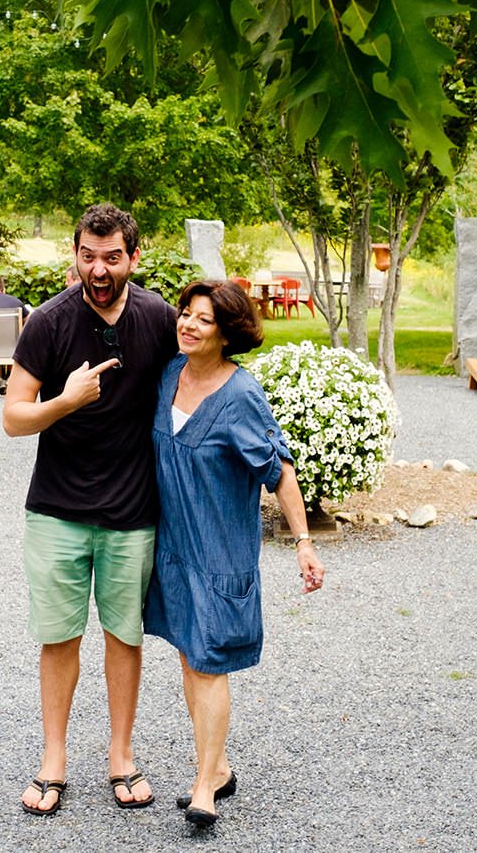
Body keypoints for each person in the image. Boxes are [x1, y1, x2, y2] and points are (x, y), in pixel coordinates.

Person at [2, 203, 177, 816]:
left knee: (124, 636)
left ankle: (121, 756)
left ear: (133, 256)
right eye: (87, 256)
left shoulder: (159, 318)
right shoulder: (48, 323)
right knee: (58, 637)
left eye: (111, 257)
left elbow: (199, 379)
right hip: (57, 509)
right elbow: (13, 418)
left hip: (133, 510)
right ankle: (54, 760)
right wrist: (65, 401)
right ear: (74, 253)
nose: (97, 269)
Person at [145, 279, 325, 829]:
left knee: (209, 662)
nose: (188, 324)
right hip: (174, 547)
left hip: (221, 553)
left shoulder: (241, 395)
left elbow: (280, 469)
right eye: (185, 313)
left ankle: (204, 786)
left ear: (227, 333)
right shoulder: (170, 374)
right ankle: (217, 766)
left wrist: (303, 543)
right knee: (188, 656)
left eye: (204, 319)